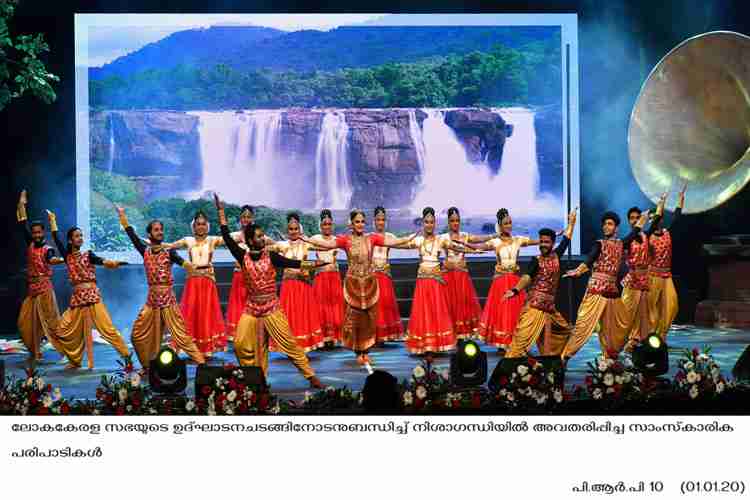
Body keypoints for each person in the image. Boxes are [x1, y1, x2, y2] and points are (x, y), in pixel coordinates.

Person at [215, 194, 323, 388]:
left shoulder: (271, 256)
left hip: (272, 308)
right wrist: (221, 212)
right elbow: (226, 238)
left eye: (262, 235)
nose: (262, 239)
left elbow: (294, 263)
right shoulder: (242, 256)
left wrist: (314, 264)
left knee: (290, 345)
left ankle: (311, 376)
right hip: (251, 309)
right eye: (258, 236)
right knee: (240, 345)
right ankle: (255, 377)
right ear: (249, 240)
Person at [302, 209, 417, 367]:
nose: (360, 224)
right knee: (355, 318)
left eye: (362, 221)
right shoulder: (345, 240)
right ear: (351, 224)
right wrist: (307, 240)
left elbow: (392, 242)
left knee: (369, 318)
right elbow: (327, 244)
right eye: (357, 221)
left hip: (369, 283)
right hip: (353, 284)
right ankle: (358, 350)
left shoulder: (372, 238)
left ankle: (366, 351)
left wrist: (409, 237)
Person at [116, 207, 205, 369]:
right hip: (152, 301)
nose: (160, 232)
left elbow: (183, 263)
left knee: (181, 336)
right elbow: (132, 236)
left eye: (161, 230)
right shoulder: (145, 251)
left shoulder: (169, 251)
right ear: (150, 234)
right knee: (136, 335)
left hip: (168, 301)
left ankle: (202, 364)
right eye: (156, 230)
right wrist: (122, 216)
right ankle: (148, 367)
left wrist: (193, 268)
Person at [560, 210, 648, 361]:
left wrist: (643, 220)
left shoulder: (621, 244)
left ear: (616, 228)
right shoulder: (599, 244)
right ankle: (564, 357)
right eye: (605, 224)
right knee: (582, 327)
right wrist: (578, 271)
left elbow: (634, 233)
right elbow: (589, 259)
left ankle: (610, 357)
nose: (606, 227)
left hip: (612, 292)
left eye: (610, 224)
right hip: (597, 291)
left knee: (620, 326)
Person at [47, 211, 130, 369]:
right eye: (77, 236)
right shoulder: (68, 256)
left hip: (92, 297)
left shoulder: (88, 254)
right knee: (63, 328)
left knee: (107, 329)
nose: (80, 238)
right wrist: (53, 221)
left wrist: (114, 263)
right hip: (78, 299)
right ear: (71, 240)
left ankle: (127, 356)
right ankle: (74, 359)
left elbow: (102, 261)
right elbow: (57, 239)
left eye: (81, 235)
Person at [398, 207, 478, 359]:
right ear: (423, 223)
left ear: (435, 223)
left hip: (435, 281)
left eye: (432, 222)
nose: (429, 225)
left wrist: (474, 251)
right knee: (424, 312)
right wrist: (387, 242)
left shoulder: (441, 240)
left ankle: (434, 345)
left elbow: (455, 247)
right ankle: (426, 347)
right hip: (423, 282)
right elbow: (400, 244)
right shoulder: (419, 240)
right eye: (427, 222)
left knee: (435, 312)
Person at [503, 209, 577, 358]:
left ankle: (554, 363)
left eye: (546, 242)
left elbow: (567, 238)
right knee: (520, 343)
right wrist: (515, 290)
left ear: (552, 243)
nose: (543, 244)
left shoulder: (556, 255)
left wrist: (571, 222)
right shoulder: (536, 260)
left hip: (550, 309)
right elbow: (526, 277)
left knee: (566, 331)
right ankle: (508, 371)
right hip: (534, 308)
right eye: (541, 241)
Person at [472, 208, 539, 353]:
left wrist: (551, 237)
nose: (509, 225)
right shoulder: (495, 242)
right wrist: (467, 247)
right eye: (505, 223)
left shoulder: (518, 240)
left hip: (515, 282)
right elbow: (480, 247)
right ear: (500, 226)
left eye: (510, 223)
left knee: (516, 313)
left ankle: (517, 341)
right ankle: (502, 343)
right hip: (501, 282)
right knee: (503, 313)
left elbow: (535, 241)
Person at [169, 210, 227, 357]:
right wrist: (155, 244)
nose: (200, 227)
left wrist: (221, 214)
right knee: (191, 312)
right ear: (193, 226)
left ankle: (206, 348)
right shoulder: (187, 240)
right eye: (197, 224)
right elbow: (169, 246)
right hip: (193, 281)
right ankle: (189, 346)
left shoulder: (213, 240)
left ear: (207, 226)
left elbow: (232, 239)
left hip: (208, 281)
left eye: (203, 224)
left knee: (207, 313)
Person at [16, 190, 63, 364]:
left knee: (52, 324)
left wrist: (57, 260)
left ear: (43, 233)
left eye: (38, 233)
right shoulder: (30, 243)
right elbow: (22, 223)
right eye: (34, 232)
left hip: (44, 290)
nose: (36, 235)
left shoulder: (47, 248)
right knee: (26, 323)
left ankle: (68, 352)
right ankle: (35, 351)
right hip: (32, 289)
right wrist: (22, 204)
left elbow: (51, 258)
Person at [267, 213, 325, 352]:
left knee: (303, 314)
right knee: (289, 314)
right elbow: (266, 249)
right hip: (288, 286)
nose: (293, 232)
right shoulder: (282, 245)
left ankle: (304, 345)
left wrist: (309, 242)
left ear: (300, 230)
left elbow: (324, 248)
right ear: (287, 231)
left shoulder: (305, 244)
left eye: (296, 229)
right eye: (291, 229)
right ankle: (289, 345)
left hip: (302, 284)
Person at [440, 207, 496, 338]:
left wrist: (495, 235)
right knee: (450, 305)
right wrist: (443, 264)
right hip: (448, 275)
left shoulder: (465, 236)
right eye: (452, 220)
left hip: (462, 276)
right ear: (448, 222)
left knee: (462, 305)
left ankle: (461, 335)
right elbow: (432, 252)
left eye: (457, 220)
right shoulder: (442, 238)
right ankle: (450, 334)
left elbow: (480, 239)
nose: (455, 223)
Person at [618, 197, 664, 352]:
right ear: (628, 221)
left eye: (637, 218)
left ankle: (637, 341)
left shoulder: (645, 235)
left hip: (644, 280)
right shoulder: (628, 239)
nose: (635, 220)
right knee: (626, 313)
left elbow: (656, 220)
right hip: (632, 280)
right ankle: (619, 341)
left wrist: (660, 203)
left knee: (644, 314)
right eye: (632, 218)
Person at [648, 183, 686, 339]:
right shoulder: (647, 236)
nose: (654, 221)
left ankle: (661, 335)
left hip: (666, 276)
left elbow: (677, 217)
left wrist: (680, 199)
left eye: (656, 218)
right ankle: (650, 337)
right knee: (652, 309)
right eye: (651, 219)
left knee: (672, 305)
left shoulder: (667, 233)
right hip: (652, 276)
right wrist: (661, 203)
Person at [311, 209, 345, 346]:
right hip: (321, 278)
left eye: (329, 224)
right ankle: (322, 337)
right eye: (324, 224)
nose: (327, 227)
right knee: (321, 307)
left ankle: (334, 336)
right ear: (320, 225)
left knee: (335, 306)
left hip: (334, 277)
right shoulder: (315, 239)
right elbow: (301, 246)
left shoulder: (337, 240)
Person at [371, 206, 403, 343]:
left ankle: (384, 334)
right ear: (374, 221)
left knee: (385, 304)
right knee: (373, 306)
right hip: (372, 277)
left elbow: (404, 243)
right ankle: (373, 334)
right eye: (378, 219)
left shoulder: (390, 237)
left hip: (384, 276)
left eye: (383, 220)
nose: (380, 222)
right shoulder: (369, 237)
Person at [226, 205, 255, 341]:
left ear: (252, 218)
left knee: (252, 304)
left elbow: (273, 245)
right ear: (240, 219)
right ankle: (238, 334)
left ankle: (252, 332)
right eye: (243, 216)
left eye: (249, 217)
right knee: (238, 304)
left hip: (253, 277)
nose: (246, 219)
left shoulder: (257, 235)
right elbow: (219, 239)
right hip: (239, 275)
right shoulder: (234, 236)